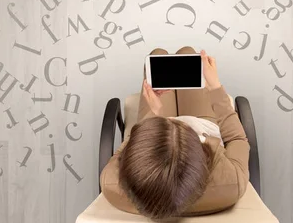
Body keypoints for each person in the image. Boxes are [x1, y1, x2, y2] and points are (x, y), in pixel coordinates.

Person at [99, 46, 250, 220]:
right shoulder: (231, 183)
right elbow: (237, 138)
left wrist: (153, 115)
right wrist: (215, 88)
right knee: (187, 52)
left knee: (158, 55)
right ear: (201, 158)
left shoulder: (111, 185)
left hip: (155, 128)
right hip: (200, 123)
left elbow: (124, 150)